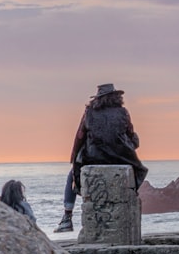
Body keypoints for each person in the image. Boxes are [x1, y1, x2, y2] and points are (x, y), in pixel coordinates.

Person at [54, 83, 148, 233]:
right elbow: (130, 133)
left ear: (98, 99)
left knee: (71, 176)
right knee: (135, 156)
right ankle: (130, 195)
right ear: (116, 97)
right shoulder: (123, 112)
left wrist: (74, 159)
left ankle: (67, 217)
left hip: (94, 157)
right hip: (121, 157)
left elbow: (80, 136)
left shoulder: (89, 113)